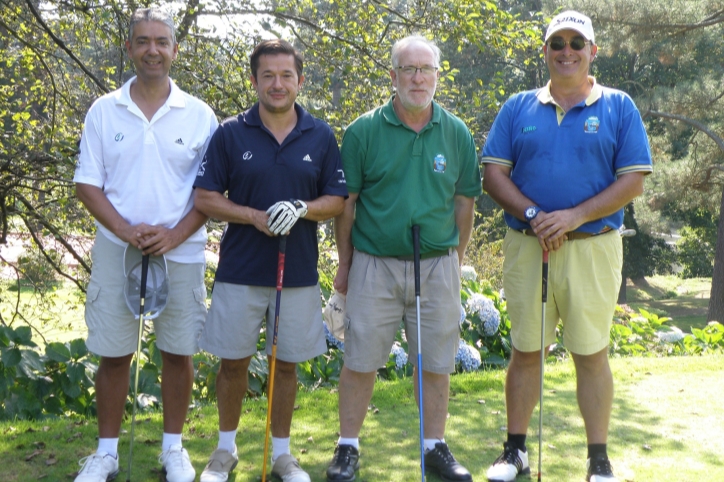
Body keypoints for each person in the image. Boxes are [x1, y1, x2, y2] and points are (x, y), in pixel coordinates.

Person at [481, 11, 653, 482]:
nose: (567, 51)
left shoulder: (618, 106)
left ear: (592, 50)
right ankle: (514, 452)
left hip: (593, 246)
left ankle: (598, 459)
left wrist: (574, 215)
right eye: (557, 42)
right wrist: (536, 216)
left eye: (577, 42)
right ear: (545, 51)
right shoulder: (518, 106)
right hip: (527, 245)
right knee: (525, 350)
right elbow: (493, 175)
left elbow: (633, 181)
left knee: (591, 353)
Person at [325, 35, 482, 482]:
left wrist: (455, 259)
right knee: (360, 359)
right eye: (408, 70)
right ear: (392, 76)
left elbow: (464, 204)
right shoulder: (363, 131)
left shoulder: (456, 132)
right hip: (375, 262)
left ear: (437, 75)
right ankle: (348, 447)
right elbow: (347, 205)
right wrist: (346, 262)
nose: (418, 78)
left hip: (436, 263)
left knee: (434, 362)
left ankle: (434, 446)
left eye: (426, 69)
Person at [73, 7, 218, 482]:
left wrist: (174, 234)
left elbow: (210, 193)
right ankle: (106, 453)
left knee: (178, 353)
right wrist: (125, 230)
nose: (152, 50)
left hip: (182, 251)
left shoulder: (200, 115)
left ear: (175, 49)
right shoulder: (103, 109)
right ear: (131, 48)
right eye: (143, 41)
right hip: (118, 249)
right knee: (114, 354)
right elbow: (88, 184)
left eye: (161, 41)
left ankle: (173, 449)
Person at [193, 39, 347, 482]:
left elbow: (337, 199)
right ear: (255, 80)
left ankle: (282, 455)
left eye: (286, 75)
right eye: (268, 76)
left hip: (295, 272)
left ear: (300, 79)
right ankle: (224, 451)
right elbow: (205, 197)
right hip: (240, 269)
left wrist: (303, 208)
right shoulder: (230, 132)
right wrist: (253, 217)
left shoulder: (319, 135)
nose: (277, 84)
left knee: (286, 364)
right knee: (233, 363)